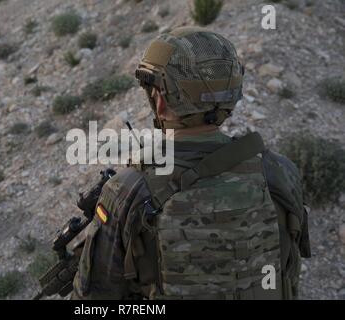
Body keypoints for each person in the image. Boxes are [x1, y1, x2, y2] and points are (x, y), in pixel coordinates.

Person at [72, 27, 311, 300]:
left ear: (160, 103)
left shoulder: (127, 191)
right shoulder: (279, 171)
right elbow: (289, 274)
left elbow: (93, 301)